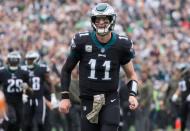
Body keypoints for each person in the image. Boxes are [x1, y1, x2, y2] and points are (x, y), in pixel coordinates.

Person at [59, 3, 139, 131]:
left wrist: (133, 94)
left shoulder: (121, 45)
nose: (101, 22)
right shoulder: (82, 42)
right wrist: (64, 97)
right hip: (88, 99)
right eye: (98, 19)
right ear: (93, 21)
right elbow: (66, 70)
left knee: (110, 126)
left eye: (105, 19)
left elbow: (131, 75)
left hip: (110, 99)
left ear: (112, 20)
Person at [22, 51, 58, 131]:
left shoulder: (42, 68)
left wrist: (53, 96)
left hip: (39, 98)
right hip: (28, 98)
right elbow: (20, 82)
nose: (28, 61)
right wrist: (23, 93)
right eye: (28, 59)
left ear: (36, 59)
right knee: (27, 123)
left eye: (31, 59)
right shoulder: (23, 69)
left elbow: (50, 83)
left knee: (40, 122)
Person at [0, 51, 31, 131]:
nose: (14, 60)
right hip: (7, 102)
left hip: (19, 102)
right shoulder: (2, 72)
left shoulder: (24, 72)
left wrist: (26, 88)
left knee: (18, 122)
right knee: (12, 119)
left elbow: (31, 91)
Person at [171, 63, 190, 131]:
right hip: (184, 100)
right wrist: (176, 95)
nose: (178, 72)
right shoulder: (183, 78)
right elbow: (181, 88)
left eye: (179, 70)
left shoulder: (187, 77)